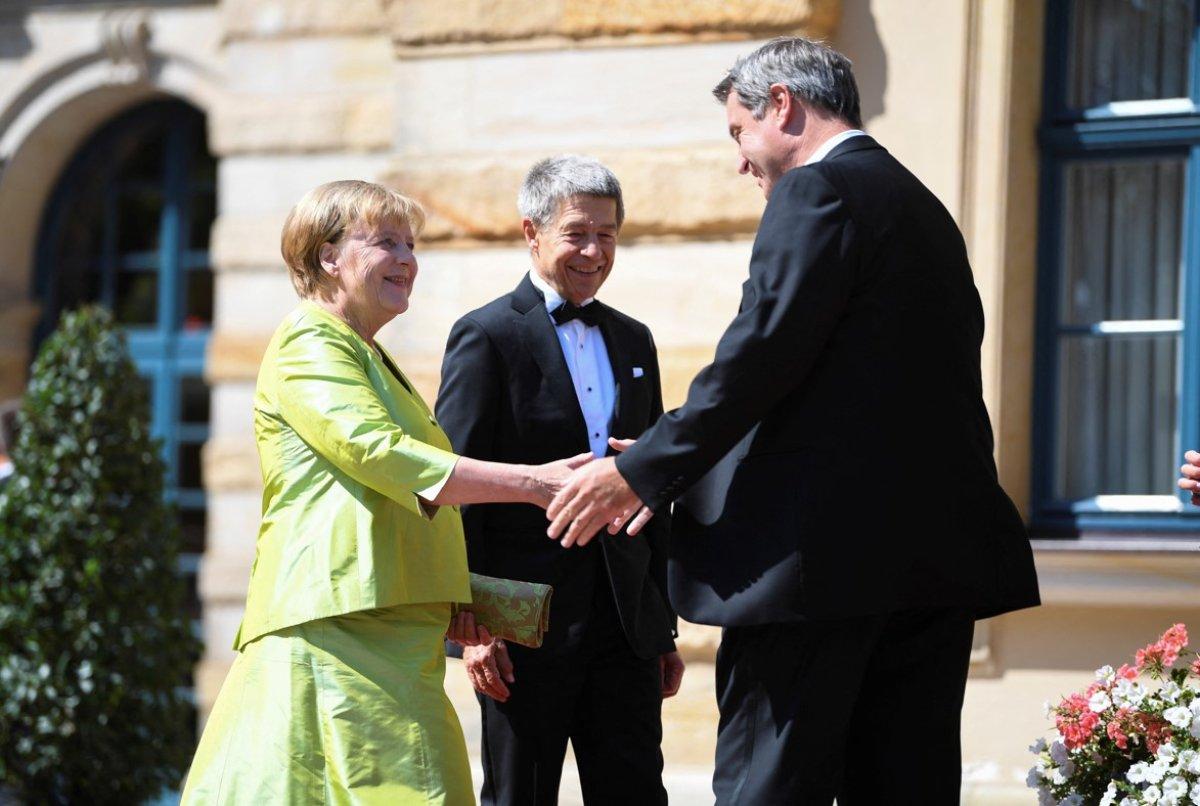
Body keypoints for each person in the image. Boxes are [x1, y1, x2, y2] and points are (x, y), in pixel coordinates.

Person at [547, 37, 1041, 803]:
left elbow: (760, 356)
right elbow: (850, 384)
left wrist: (640, 471)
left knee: (768, 789)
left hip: (813, 573)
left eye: (738, 133)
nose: (740, 162)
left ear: (782, 105)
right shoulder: (922, 206)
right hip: (930, 569)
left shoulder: (818, 192)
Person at [182, 180, 587, 805]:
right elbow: (382, 456)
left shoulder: (363, 352)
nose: (408, 259)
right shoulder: (309, 341)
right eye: (386, 243)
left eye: (411, 244)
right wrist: (533, 484)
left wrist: (461, 593)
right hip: (339, 627)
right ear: (328, 257)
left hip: (384, 625)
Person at [435, 155, 682, 805]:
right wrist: (475, 626)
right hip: (522, 630)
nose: (594, 251)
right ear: (532, 232)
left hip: (623, 628)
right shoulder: (486, 335)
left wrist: (659, 630)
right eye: (578, 233)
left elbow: (650, 491)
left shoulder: (635, 340)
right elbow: (453, 490)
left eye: (607, 234)